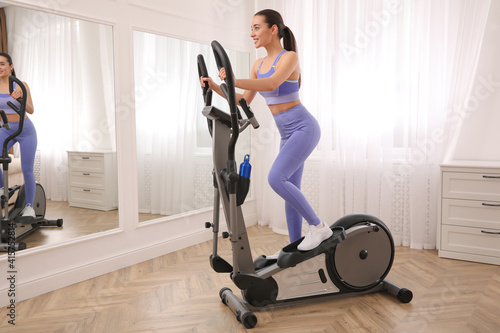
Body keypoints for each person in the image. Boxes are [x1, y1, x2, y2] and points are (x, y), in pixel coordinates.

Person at [201, 9, 332, 256]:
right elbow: (242, 100)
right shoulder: (258, 64)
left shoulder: (289, 57)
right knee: (290, 191)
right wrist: (217, 86)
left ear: (273, 29)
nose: (252, 33)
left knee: (276, 179)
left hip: (304, 128)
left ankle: (318, 226)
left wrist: (234, 79)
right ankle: (296, 249)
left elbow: (272, 83)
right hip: (287, 134)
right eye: (251, 28)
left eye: (257, 27)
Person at [0, 52, 37, 218]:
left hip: (25, 129)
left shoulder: (21, 85)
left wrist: (22, 98)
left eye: (2, 64)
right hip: (6, 128)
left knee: (27, 169)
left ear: (10, 66)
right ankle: (2, 189)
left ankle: (29, 207)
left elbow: (31, 110)